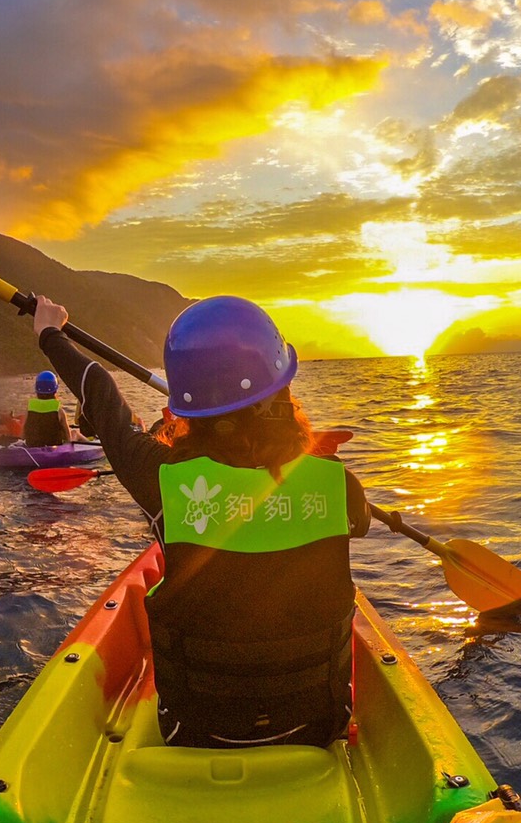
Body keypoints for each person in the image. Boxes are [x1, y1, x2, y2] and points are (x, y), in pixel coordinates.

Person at [34, 294, 370, 750]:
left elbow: (102, 396)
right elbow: (360, 523)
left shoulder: (163, 479)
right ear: (283, 389)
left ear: (188, 409)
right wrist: (299, 461)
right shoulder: (338, 483)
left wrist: (50, 334)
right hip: (318, 724)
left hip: (193, 730)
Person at [22, 370, 79, 447]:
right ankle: (97, 447)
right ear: (55, 390)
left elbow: (23, 433)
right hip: (54, 447)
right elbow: (68, 437)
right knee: (75, 432)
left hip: (32, 446)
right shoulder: (59, 410)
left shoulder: (29, 408)